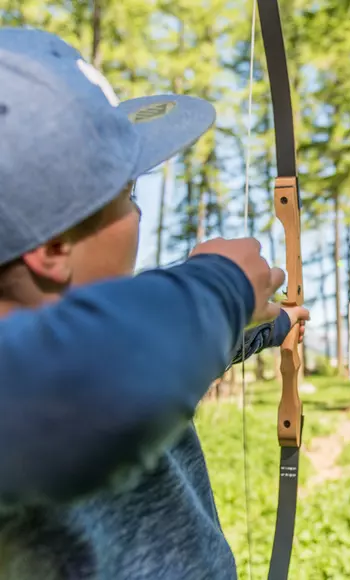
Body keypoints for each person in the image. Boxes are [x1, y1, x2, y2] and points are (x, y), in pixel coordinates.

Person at [0, 27, 308, 579]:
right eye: (128, 195)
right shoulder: (61, 382)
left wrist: (275, 322)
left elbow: (162, 343)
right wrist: (223, 282)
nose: (139, 215)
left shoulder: (135, 341)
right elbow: (116, 367)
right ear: (53, 249)